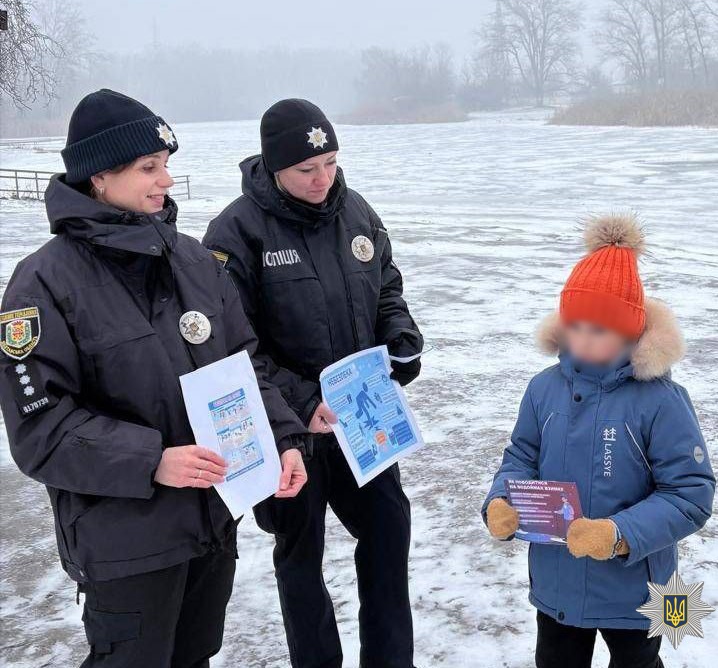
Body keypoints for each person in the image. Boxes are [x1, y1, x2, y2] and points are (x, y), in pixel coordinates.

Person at [0, 89, 310, 667]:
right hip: (126, 542)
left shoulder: (195, 263)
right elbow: (40, 431)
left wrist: (283, 441)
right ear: (99, 177)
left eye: (165, 164)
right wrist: (152, 460)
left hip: (211, 525)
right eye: (149, 167)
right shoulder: (41, 283)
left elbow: (242, 368)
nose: (166, 179)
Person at [202, 98, 423, 668]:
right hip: (292, 431)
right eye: (307, 169)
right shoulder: (235, 232)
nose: (323, 178)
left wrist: (400, 337)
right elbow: (231, 346)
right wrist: (301, 403)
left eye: (329, 161)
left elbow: (388, 288)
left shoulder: (357, 213)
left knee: (389, 536)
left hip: (363, 418)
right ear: (275, 166)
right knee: (301, 560)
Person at [482, 214, 715, 668]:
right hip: (557, 581)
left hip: (638, 587)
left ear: (630, 330)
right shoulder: (542, 388)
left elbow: (690, 494)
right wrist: (501, 501)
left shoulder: (661, 400)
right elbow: (521, 457)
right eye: (576, 327)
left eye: (600, 330)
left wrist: (618, 534)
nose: (584, 340)